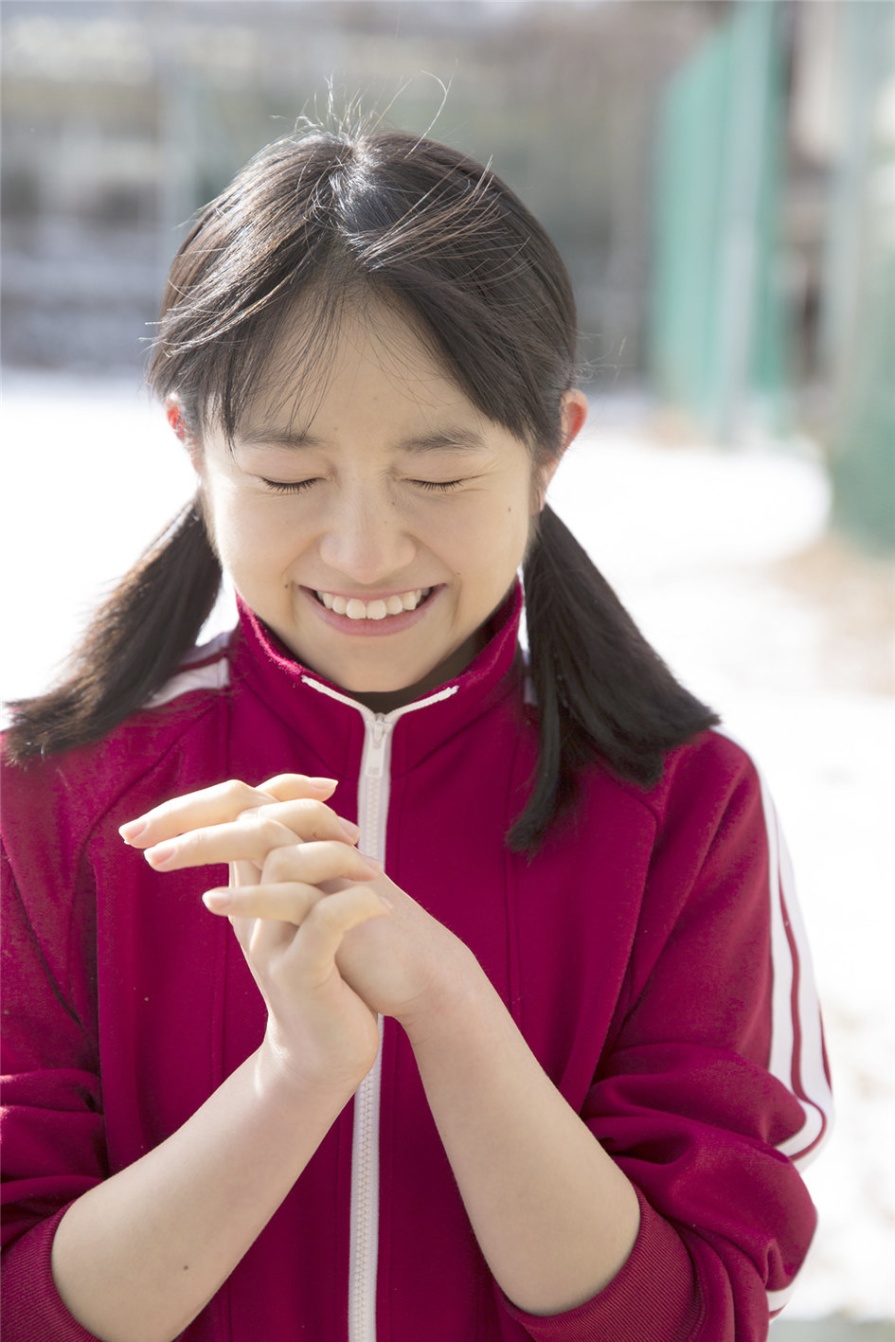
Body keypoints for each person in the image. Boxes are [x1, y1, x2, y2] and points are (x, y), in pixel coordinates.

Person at [0, 125, 831, 1342]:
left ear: (552, 450)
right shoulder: (52, 799)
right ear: (193, 446)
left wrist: (448, 1008)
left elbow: (692, 1314)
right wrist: (295, 1076)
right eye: (288, 478)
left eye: (438, 476)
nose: (363, 552)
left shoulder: (685, 809)